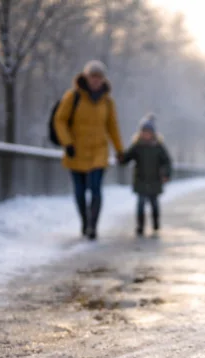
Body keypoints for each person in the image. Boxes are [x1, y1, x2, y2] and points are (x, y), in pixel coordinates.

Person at [54, 60, 124, 240]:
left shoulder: (108, 102)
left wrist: (119, 150)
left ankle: (93, 226)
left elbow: (112, 127)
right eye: (93, 76)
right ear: (86, 77)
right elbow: (60, 120)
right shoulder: (73, 96)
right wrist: (67, 143)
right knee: (79, 192)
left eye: (99, 77)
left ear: (103, 79)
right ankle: (84, 222)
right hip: (76, 151)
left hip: (98, 152)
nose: (96, 80)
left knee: (95, 189)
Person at [118, 114, 172, 236]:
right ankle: (140, 226)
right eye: (144, 132)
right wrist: (121, 158)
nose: (146, 134)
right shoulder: (137, 146)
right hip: (141, 180)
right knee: (141, 204)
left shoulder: (158, 147)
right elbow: (127, 157)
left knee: (154, 204)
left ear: (153, 133)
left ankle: (155, 223)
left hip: (154, 180)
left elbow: (167, 162)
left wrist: (166, 174)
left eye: (148, 132)